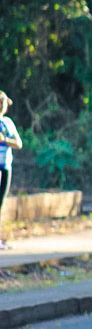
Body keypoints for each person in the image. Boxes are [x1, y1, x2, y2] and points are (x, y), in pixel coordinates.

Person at [0, 91, 24, 251]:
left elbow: (19, 143)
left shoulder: (8, 123)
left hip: (6, 166)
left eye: (3, 102)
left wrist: (5, 140)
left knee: (0, 203)